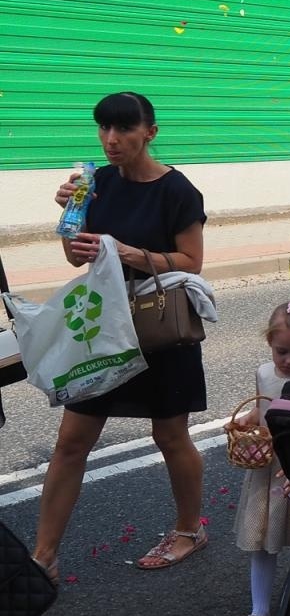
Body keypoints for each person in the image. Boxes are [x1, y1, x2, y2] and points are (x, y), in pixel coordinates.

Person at [33, 92, 209, 580]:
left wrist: (127, 252)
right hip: (103, 326)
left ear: (150, 132)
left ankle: (190, 530)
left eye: (124, 129)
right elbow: (77, 257)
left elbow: (192, 262)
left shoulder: (178, 191)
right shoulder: (98, 183)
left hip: (159, 327)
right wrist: (70, 222)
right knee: (72, 440)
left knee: (169, 435)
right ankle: (43, 557)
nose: (111, 139)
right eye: (104, 128)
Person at [221, 293, 290, 616]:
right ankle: (259, 611)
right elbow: (264, 408)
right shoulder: (264, 373)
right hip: (269, 467)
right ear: (269, 343)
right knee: (262, 539)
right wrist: (248, 420)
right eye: (282, 352)